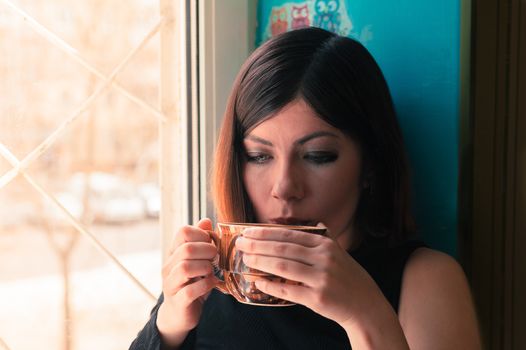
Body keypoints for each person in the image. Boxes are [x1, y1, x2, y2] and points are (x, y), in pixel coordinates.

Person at [130, 27, 481, 349]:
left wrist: (365, 315)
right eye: (259, 156)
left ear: (371, 164)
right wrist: (169, 323)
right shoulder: (211, 279)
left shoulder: (424, 280)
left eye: (318, 156)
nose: (284, 187)